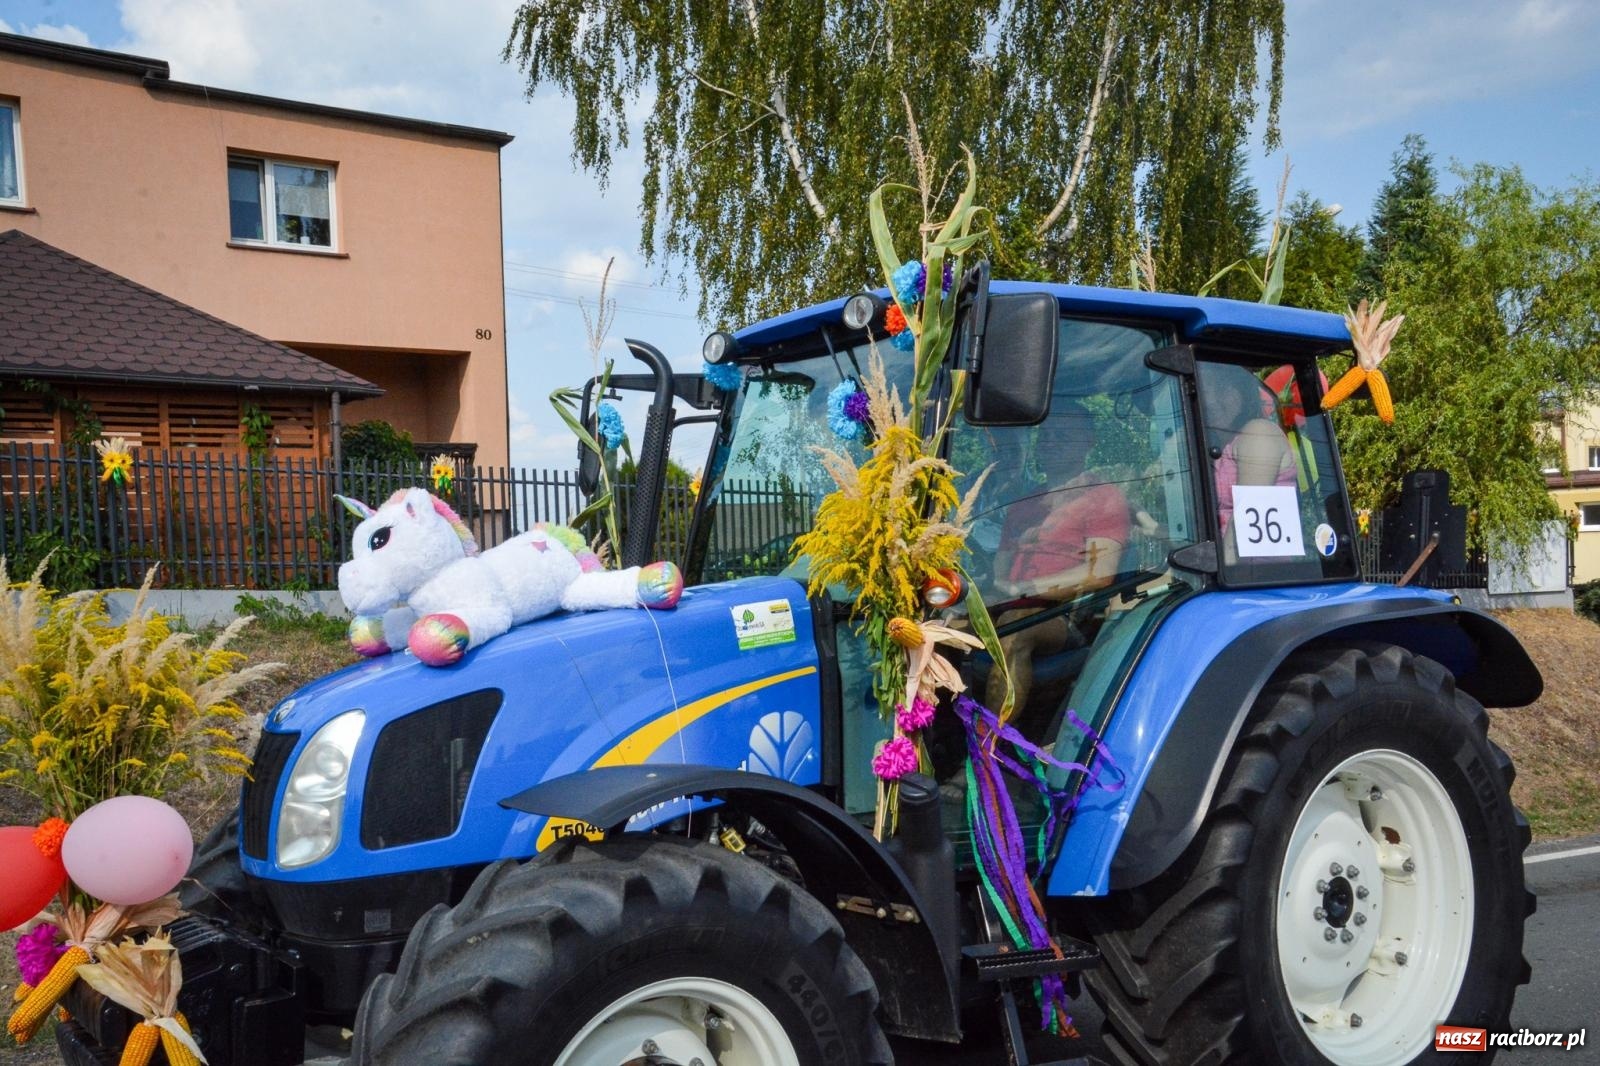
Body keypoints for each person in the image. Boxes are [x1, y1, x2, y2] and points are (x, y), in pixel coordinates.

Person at [984, 403, 1128, 714]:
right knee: (937, 624)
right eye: (1045, 436)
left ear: (1088, 442)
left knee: (1014, 627)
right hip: (1013, 600)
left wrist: (1026, 589)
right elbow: (1002, 567)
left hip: (1069, 614)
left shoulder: (1103, 497)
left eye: (1062, 436)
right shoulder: (1024, 504)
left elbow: (1098, 575)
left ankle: (987, 754)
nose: (1049, 443)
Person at [1204, 366, 1297, 543]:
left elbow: (1244, 528)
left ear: (1243, 394)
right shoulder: (1217, 445)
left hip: (1255, 567)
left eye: (1223, 389)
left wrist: (1225, 569)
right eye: (1208, 389)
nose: (1213, 400)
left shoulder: (1258, 434)